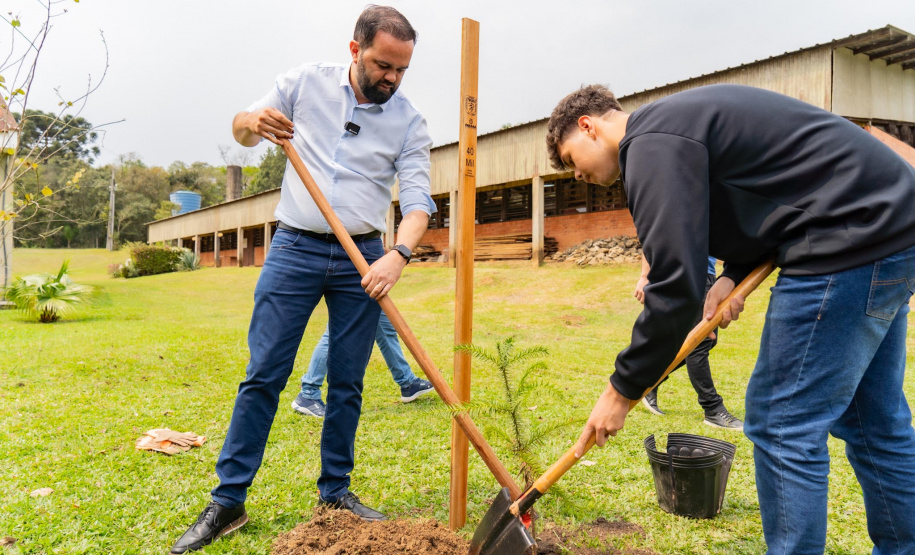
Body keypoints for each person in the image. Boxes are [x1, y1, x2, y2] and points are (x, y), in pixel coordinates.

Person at [548, 83, 915, 554]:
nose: (575, 173)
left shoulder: (651, 142)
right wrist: (732, 274)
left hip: (848, 242)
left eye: (569, 157)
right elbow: (773, 188)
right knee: (873, 422)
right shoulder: (676, 127)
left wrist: (622, 390)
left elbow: (674, 284)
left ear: (588, 126)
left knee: (782, 423)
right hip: (891, 225)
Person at [170, 6, 434, 553]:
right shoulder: (304, 82)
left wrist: (399, 254)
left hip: (362, 256)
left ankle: (335, 493)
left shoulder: (409, 120)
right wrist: (253, 123)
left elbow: (417, 201)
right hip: (294, 246)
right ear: (356, 49)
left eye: (402, 70)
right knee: (264, 372)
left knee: (348, 381)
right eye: (384, 65)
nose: (392, 78)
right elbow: (242, 126)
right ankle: (229, 500)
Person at [634, 256, 742, 430]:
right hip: (691, 274)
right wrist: (645, 276)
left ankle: (651, 383)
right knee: (700, 344)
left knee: (702, 341)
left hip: (706, 275)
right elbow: (652, 234)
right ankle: (713, 409)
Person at [292, 311, 435, 418]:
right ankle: (308, 393)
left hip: (369, 277)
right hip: (352, 278)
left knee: (385, 327)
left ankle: (408, 383)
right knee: (334, 332)